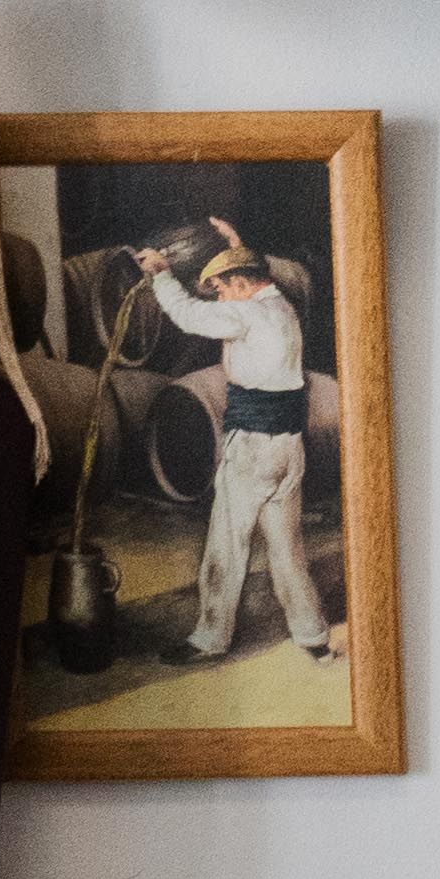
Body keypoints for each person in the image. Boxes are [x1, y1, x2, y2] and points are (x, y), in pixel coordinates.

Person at [132, 216, 334, 667]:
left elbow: (188, 315)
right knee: (286, 547)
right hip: (287, 447)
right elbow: (247, 275)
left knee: (226, 542)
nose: (219, 296)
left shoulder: (245, 314)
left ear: (241, 283)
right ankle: (313, 635)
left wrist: (163, 275)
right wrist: (235, 246)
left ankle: (210, 638)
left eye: (222, 287)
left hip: (253, 449)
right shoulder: (280, 306)